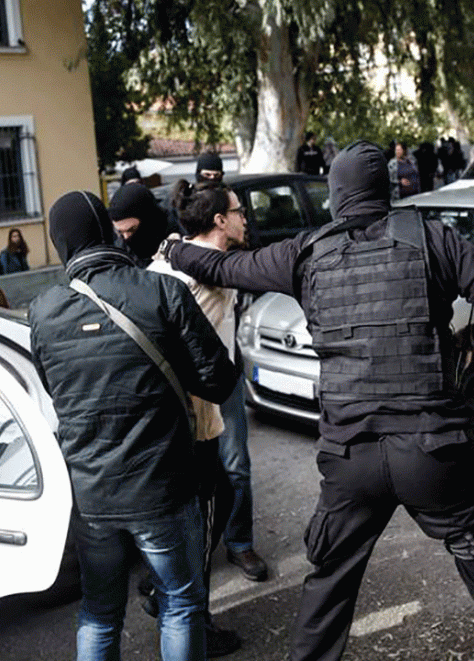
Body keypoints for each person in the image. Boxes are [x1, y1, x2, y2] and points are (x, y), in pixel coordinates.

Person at [164, 141, 474, 661]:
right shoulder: (434, 238)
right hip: (435, 451)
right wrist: (471, 342)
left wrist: (173, 251)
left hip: (351, 459)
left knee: (327, 593)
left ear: (336, 194)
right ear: (385, 189)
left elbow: (224, 268)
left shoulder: (305, 252)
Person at [28, 190, 237, 661]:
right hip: (163, 486)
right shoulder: (161, 290)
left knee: (100, 613)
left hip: (92, 493)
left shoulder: (43, 310)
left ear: (61, 244)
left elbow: (53, 387)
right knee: (180, 604)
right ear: (107, 230)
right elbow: (219, 381)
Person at [143, 181, 266, 655]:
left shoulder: (175, 260)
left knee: (209, 505)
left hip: (200, 403)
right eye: (238, 211)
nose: (244, 218)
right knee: (200, 517)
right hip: (195, 414)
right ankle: (192, 621)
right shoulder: (200, 271)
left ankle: (174, 590)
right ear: (219, 220)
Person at [107, 183, 170, 267]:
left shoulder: (178, 235)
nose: (126, 237)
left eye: (132, 229)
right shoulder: (119, 248)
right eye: (120, 232)